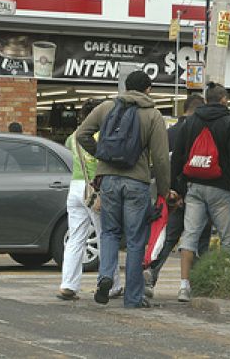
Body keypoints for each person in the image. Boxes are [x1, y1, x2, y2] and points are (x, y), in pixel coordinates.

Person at [77, 70, 171, 309]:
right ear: (148, 89)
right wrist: (163, 190)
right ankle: (133, 297)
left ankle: (106, 276)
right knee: (135, 240)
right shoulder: (152, 115)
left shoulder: (106, 108)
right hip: (136, 182)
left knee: (109, 232)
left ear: (126, 87)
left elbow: (82, 134)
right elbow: (160, 159)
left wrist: (101, 155)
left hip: (107, 180)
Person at [172, 82, 230, 303]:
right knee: (228, 239)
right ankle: (226, 283)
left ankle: (184, 286)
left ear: (205, 100)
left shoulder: (191, 122)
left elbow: (178, 156)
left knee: (190, 236)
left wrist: (175, 188)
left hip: (194, 188)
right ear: (223, 100)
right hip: (221, 189)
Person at [144, 93, 211, 297]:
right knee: (200, 239)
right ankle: (197, 283)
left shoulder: (169, 133)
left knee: (168, 238)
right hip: (197, 192)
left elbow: (161, 162)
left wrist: (171, 191)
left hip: (173, 195)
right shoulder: (200, 130)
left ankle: (151, 275)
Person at [58, 99, 122, 301]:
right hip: (94, 191)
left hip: (75, 188)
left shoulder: (73, 136)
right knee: (106, 236)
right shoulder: (100, 135)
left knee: (76, 238)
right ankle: (111, 285)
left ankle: (68, 285)